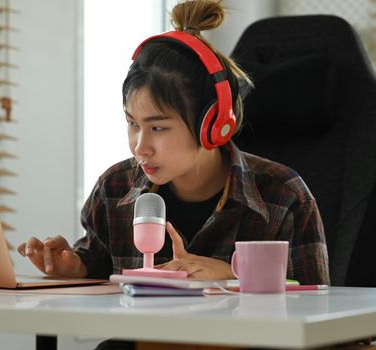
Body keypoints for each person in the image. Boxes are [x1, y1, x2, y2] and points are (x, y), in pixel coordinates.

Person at [18, 0, 329, 287]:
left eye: (158, 127)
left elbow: (318, 306)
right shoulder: (113, 189)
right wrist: (74, 267)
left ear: (213, 125)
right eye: (133, 124)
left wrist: (234, 274)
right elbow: (98, 265)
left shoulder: (284, 195)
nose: (140, 146)